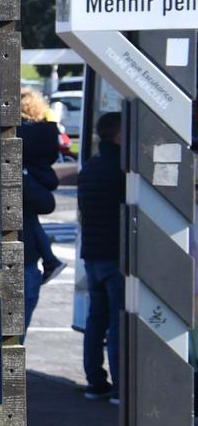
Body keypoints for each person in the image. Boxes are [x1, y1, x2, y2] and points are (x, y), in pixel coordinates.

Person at [77, 109, 123, 402]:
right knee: (118, 322)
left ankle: (95, 382)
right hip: (115, 255)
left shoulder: (90, 167)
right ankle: (121, 385)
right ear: (120, 135)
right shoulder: (122, 169)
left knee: (96, 320)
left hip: (92, 254)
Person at [19, 89, 63, 322]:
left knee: (29, 218)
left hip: (28, 180)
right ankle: (49, 258)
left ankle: (50, 259)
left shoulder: (18, 134)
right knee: (32, 219)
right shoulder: (46, 131)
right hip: (40, 179)